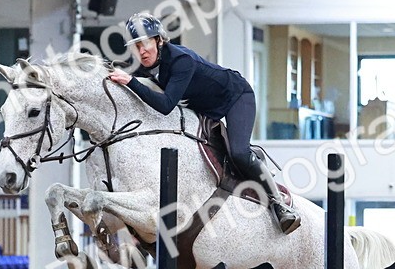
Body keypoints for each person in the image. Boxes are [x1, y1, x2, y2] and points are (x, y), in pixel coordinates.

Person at [107, 14, 300, 234]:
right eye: (136, 46)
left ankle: (279, 204)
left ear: (159, 40)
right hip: (204, 106)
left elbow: (166, 105)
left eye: (145, 44)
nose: (141, 51)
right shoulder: (147, 65)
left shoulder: (181, 60)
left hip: (236, 95)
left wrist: (130, 81)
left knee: (238, 152)